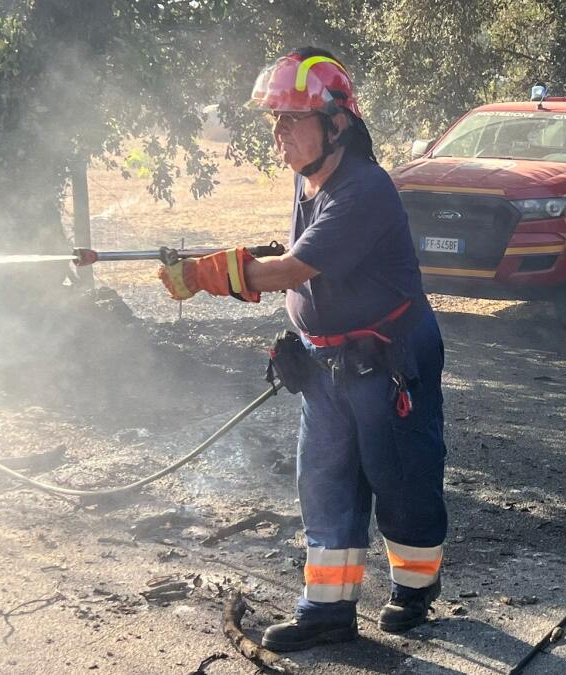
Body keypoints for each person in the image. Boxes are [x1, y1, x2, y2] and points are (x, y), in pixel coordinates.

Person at [157, 47, 448, 650]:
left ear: (337, 123)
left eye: (292, 119)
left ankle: (414, 589)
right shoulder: (309, 180)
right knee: (325, 481)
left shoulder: (364, 188)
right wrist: (302, 331)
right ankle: (328, 612)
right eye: (275, 121)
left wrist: (217, 275)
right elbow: (310, 271)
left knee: (399, 480)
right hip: (328, 365)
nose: (279, 134)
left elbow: (289, 268)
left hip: (387, 363)